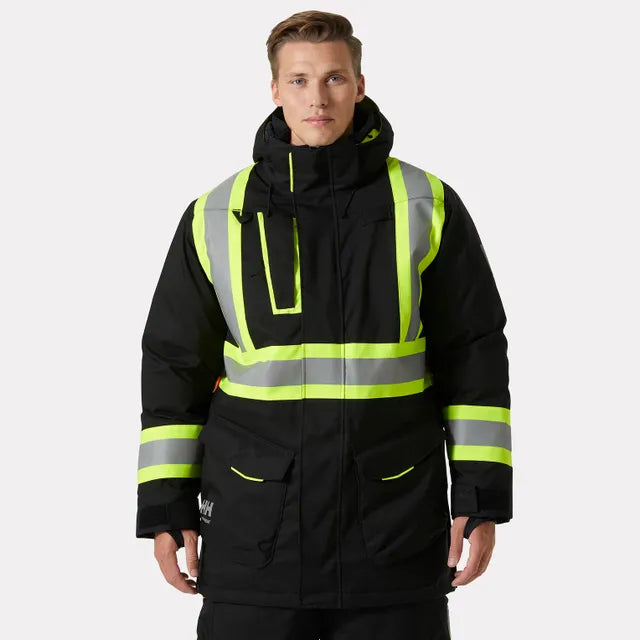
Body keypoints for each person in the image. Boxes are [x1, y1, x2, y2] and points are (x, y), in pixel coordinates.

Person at [136, 9, 512, 639]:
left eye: (334, 78)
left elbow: (474, 354)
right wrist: (166, 507)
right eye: (300, 80)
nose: (318, 97)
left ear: (359, 85)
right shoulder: (217, 214)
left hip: (392, 529)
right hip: (256, 535)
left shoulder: (425, 203)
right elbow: (174, 367)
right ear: (275, 90)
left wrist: (479, 499)